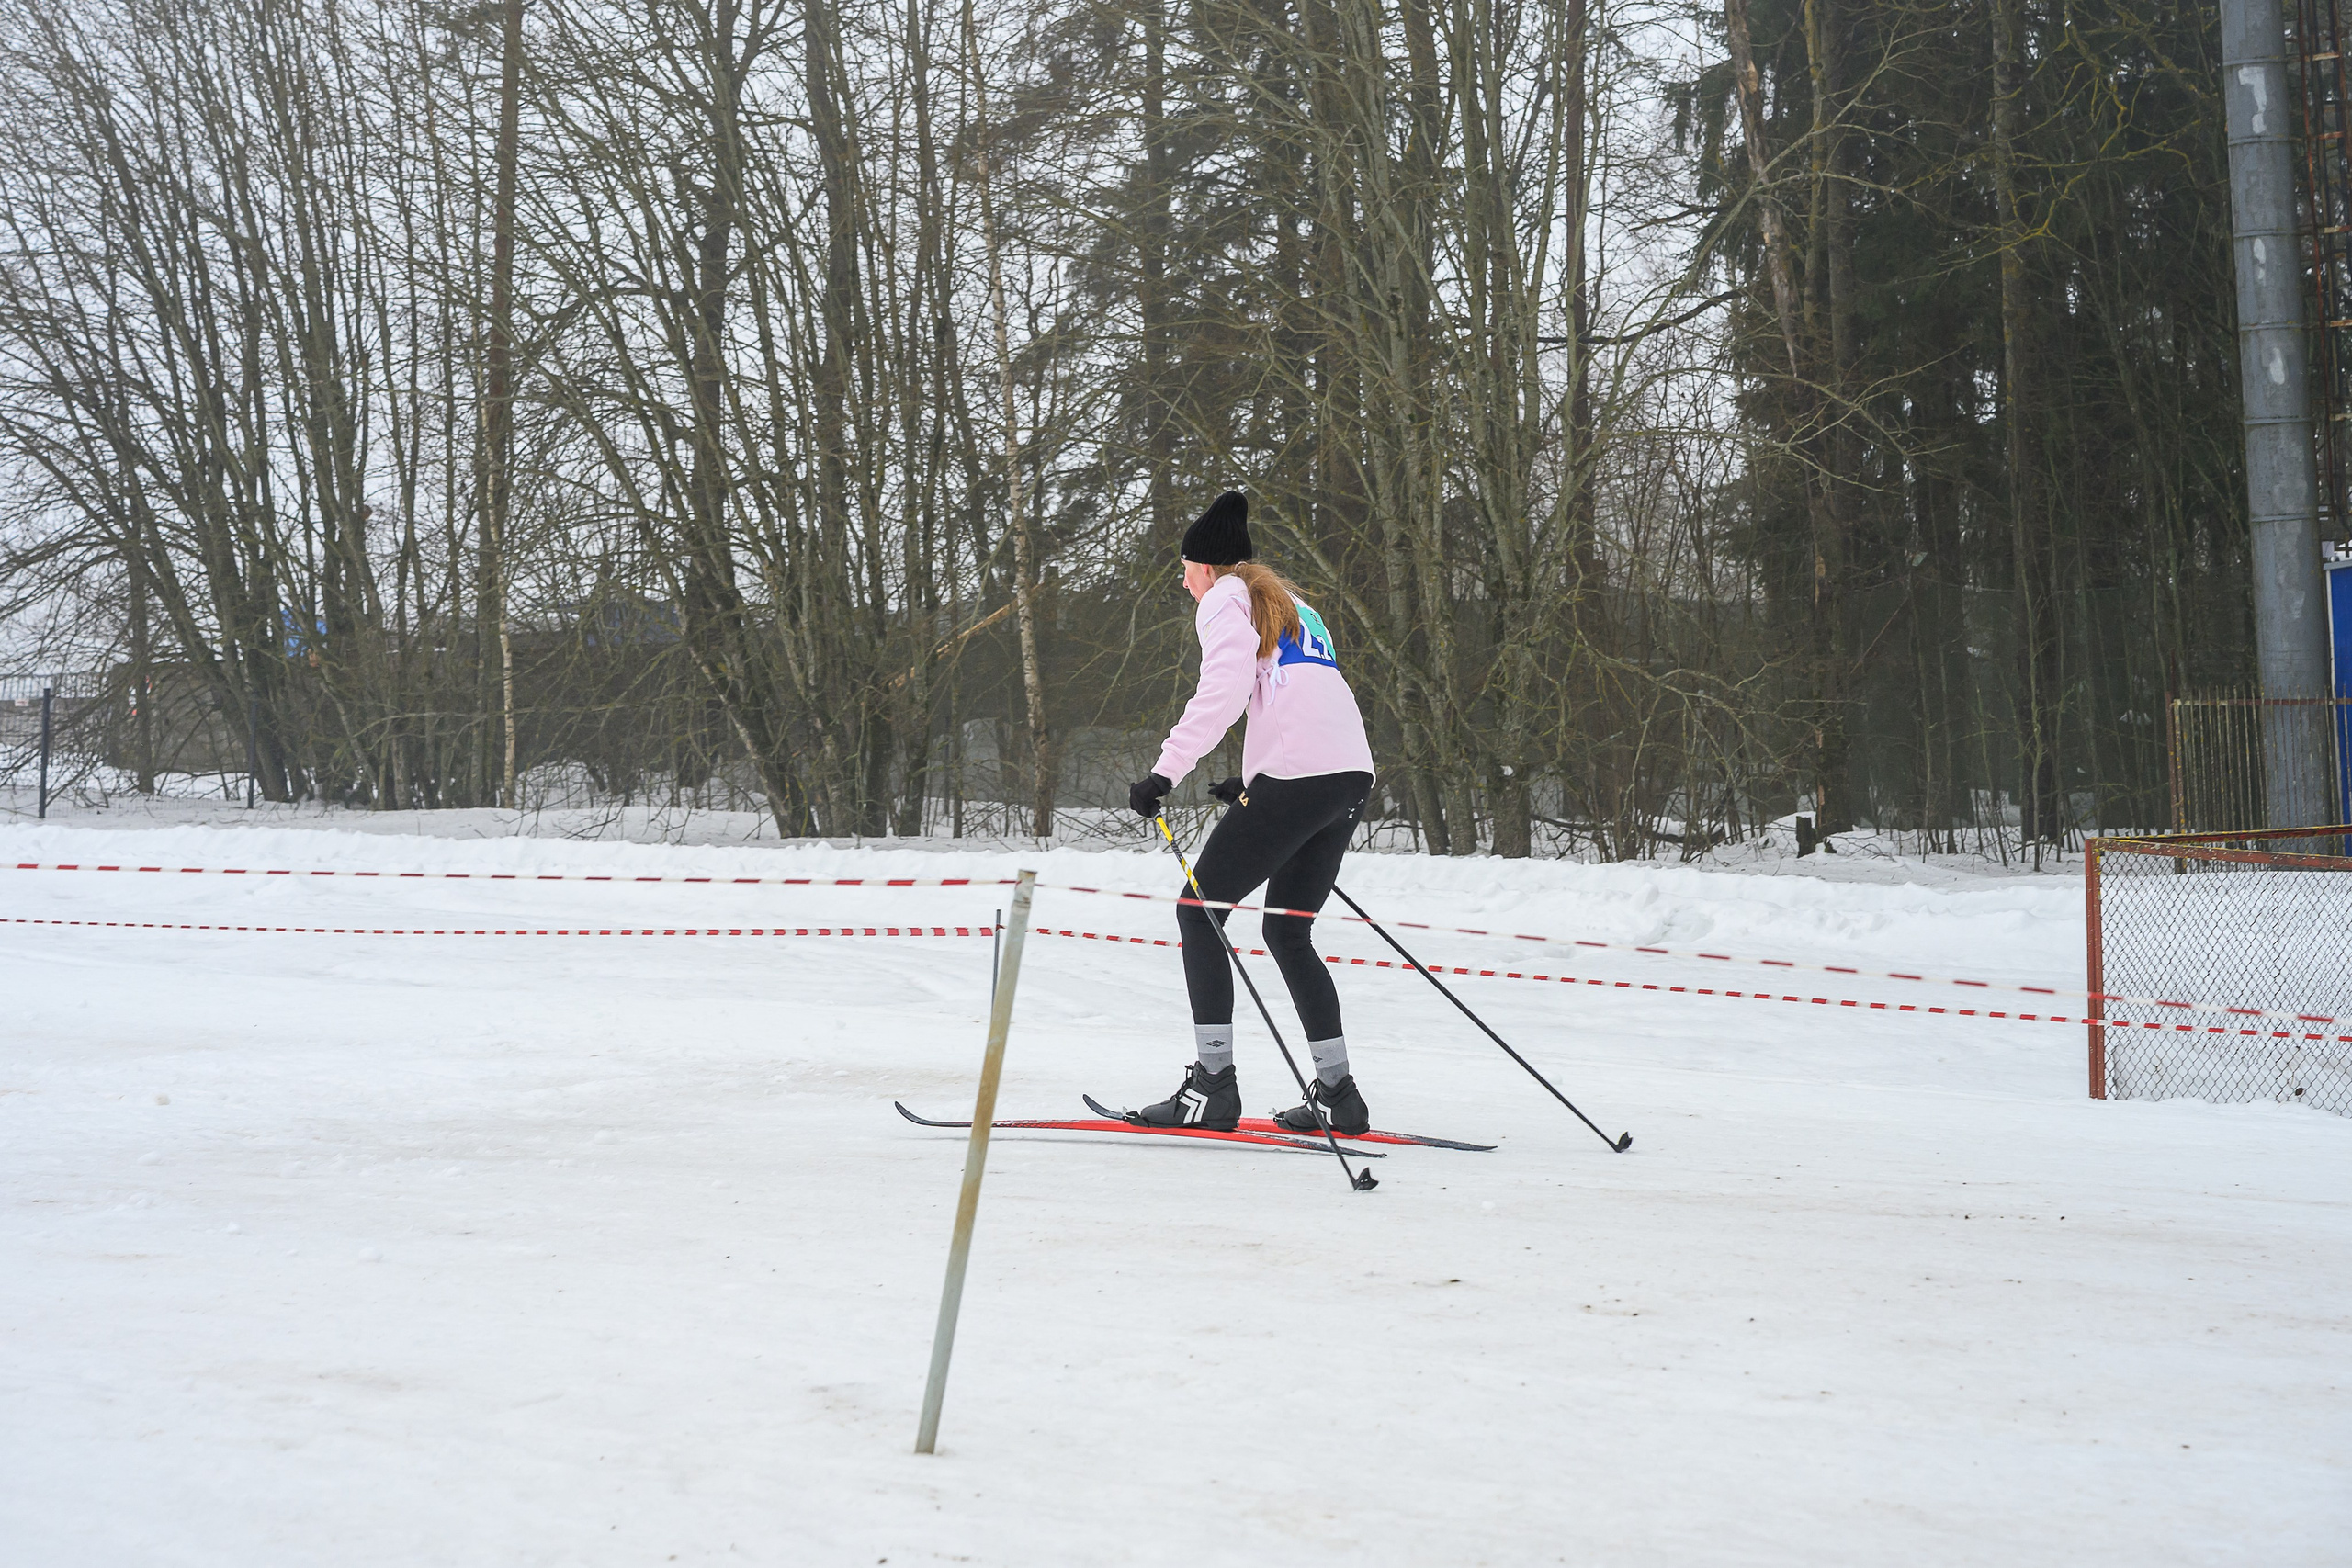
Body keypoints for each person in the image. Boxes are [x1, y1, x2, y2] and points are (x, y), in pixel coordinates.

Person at [1125, 491, 1378, 1135]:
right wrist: (1252, 776)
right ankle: (1338, 1095)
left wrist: (1164, 771)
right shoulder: (1296, 606)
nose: (1184, 581)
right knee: (1288, 931)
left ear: (1207, 567)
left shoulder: (1223, 601)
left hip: (1299, 780)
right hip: (1346, 776)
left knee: (1198, 910)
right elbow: (1299, 694)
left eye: (1185, 568)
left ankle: (1213, 1088)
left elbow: (1224, 690)